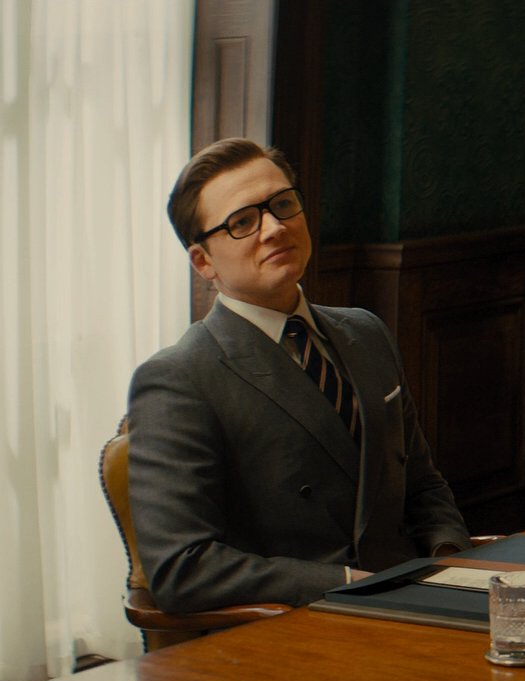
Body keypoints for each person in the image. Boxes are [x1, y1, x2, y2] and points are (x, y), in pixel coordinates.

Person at [128, 138, 469, 613]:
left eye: (283, 204)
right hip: (301, 622)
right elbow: (182, 567)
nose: (274, 228)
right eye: (242, 222)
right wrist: (347, 583)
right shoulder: (178, 378)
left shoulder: (366, 332)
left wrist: (451, 561)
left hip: (421, 601)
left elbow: (422, 485)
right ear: (203, 261)